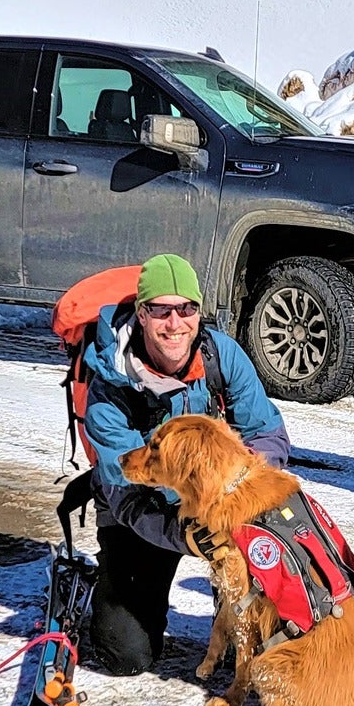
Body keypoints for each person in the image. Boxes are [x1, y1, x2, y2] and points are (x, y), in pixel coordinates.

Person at [79, 254, 290, 676]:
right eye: (161, 310)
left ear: (199, 312)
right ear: (141, 315)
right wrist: (185, 534)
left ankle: (240, 621)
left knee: (261, 645)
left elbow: (270, 435)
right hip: (146, 514)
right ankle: (102, 587)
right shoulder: (108, 383)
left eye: (187, 308)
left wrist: (236, 492)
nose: (175, 322)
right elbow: (124, 491)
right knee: (126, 655)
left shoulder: (221, 356)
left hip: (219, 507)